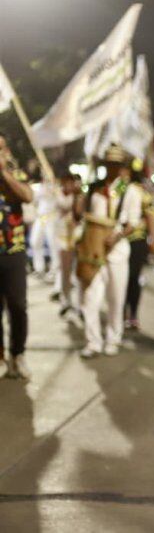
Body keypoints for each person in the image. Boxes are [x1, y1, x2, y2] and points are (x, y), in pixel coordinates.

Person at [80, 145, 143, 358]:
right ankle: (92, 341)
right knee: (90, 295)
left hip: (117, 249)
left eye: (116, 164)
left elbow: (133, 222)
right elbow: (83, 216)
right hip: (94, 248)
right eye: (109, 164)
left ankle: (113, 338)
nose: (113, 168)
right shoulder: (93, 188)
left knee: (116, 298)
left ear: (122, 167)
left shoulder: (131, 191)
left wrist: (116, 236)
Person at [0, 134, 34, 379]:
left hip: (14, 251)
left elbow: (27, 196)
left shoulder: (15, 174)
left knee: (18, 306)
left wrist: (3, 173)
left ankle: (18, 354)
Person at [123, 163, 154, 331]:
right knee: (122, 279)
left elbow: (151, 217)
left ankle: (133, 314)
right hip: (120, 241)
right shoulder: (119, 190)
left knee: (133, 278)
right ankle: (122, 313)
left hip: (137, 240)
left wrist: (153, 241)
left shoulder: (140, 192)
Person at [54, 172, 82, 318]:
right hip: (63, 238)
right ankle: (66, 301)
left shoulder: (78, 195)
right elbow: (64, 205)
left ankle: (80, 304)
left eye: (71, 183)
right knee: (65, 271)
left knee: (79, 272)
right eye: (66, 183)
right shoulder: (59, 194)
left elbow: (78, 214)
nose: (69, 186)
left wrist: (78, 196)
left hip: (76, 237)